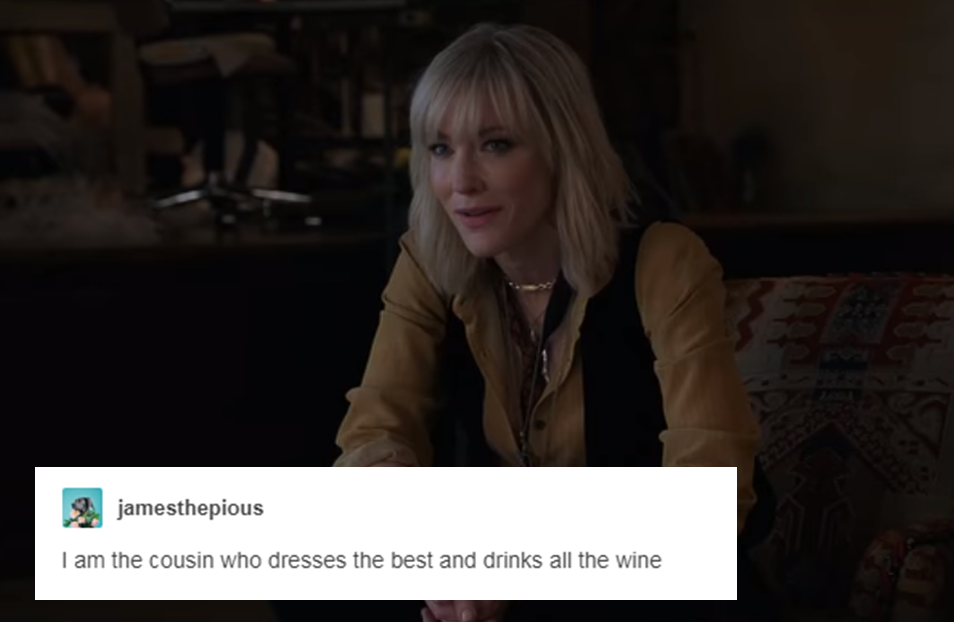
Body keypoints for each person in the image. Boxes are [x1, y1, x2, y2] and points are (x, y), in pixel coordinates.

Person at [333, 23, 776, 622]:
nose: (460, 182)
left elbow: (706, 499)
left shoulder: (663, 262)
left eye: (495, 145)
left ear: (561, 149)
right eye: (440, 149)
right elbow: (375, 431)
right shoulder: (429, 262)